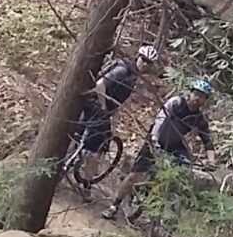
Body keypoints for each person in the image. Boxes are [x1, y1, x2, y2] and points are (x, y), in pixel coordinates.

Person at [111, 76, 215, 218]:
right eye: (196, 94)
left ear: (205, 100)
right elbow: (160, 119)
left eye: (202, 96)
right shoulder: (176, 103)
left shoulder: (199, 118)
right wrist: (154, 139)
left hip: (174, 145)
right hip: (156, 139)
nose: (197, 98)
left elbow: (207, 140)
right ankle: (115, 205)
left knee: (181, 166)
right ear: (190, 93)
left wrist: (211, 161)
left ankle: (158, 199)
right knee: (134, 176)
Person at [76, 43, 161, 155]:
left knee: (91, 134)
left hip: (100, 105)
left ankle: (76, 154)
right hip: (94, 103)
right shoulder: (124, 70)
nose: (145, 64)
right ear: (138, 56)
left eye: (149, 62)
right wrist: (103, 106)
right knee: (101, 139)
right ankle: (77, 158)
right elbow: (100, 84)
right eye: (143, 59)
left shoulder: (133, 73)